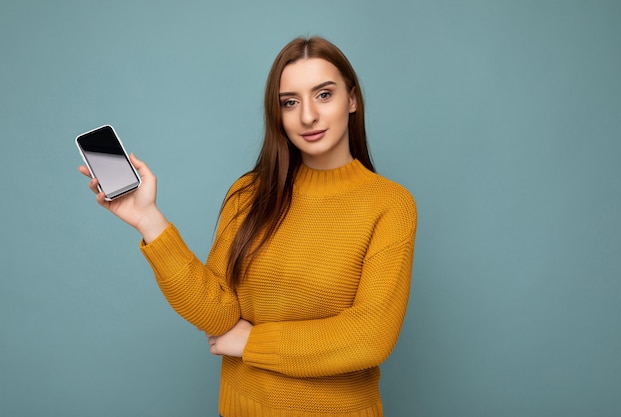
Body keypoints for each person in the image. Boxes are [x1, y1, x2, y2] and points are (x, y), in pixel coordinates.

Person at [79, 36, 417, 417]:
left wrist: (253, 341)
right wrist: (148, 220)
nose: (307, 116)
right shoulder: (249, 193)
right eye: (290, 102)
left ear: (351, 99)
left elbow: (369, 337)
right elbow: (219, 314)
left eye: (324, 95)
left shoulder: (389, 203)